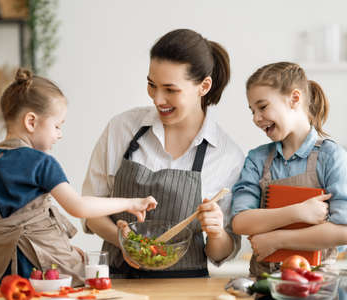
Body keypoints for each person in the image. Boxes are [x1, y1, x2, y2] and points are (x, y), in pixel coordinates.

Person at [82, 28, 245, 278]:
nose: (158, 99)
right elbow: (90, 209)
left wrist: (216, 233)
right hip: (118, 284)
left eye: (170, 89)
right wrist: (121, 240)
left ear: (204, 86)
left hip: (187, 290)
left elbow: (222, 252)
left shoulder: (227, 155)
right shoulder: (122, 128)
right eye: (151, 85)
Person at [0, 69, 157, 287]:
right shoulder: (40, 162)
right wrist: (132, 202)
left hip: (0, 272)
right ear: (31, 122)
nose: (59, 134)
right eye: (57, 126)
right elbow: (78, 206)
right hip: (39, 273)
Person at [231, 62, 347, 277]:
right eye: (252, 111)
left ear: (294, 99)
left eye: (262, 107)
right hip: (265, 283)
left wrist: (276, 239)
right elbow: (240, 221)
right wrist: (298, 212)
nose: (256, 118)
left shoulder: (330, 156)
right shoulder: (257, 158)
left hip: (317, 284)